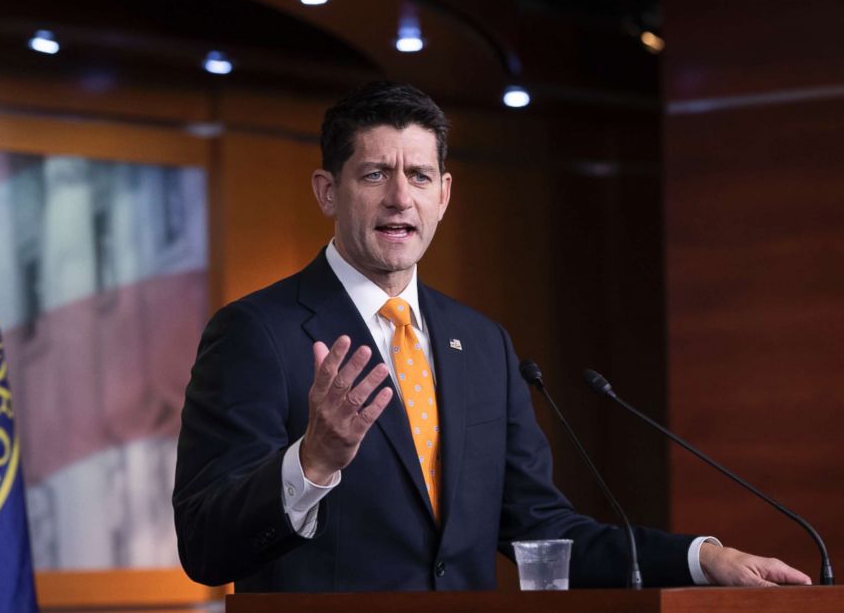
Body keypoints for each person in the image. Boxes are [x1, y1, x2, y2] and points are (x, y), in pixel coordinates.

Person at [172, 81, 810, 591]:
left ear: (444, 195)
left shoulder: (482, 344)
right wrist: (311, 464)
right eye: (374, 175)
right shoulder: (257, 333)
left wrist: (703, 559)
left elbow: (543, 528)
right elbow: (204, 546)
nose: (400, 198)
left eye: (419, 176)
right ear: (327, 191)